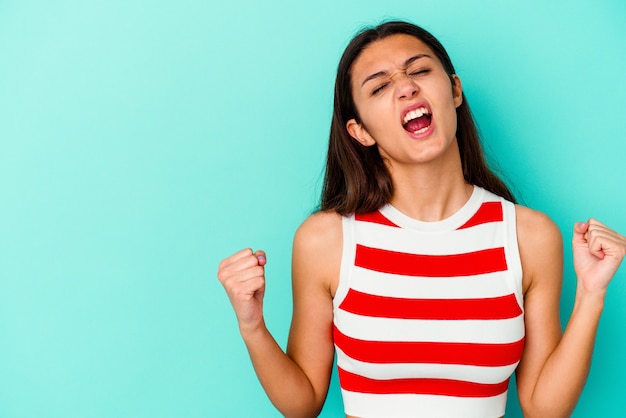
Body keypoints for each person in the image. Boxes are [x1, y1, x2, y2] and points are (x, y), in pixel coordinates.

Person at [217, 20, 626, 418]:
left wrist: (591, 293)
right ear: (360, 132)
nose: (406, 87)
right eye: (379, 86)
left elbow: (543, 408)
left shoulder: (528, 236)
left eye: (419, 70)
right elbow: (302, 402)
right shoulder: (327, 240)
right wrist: (252, 325)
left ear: (454, 90)